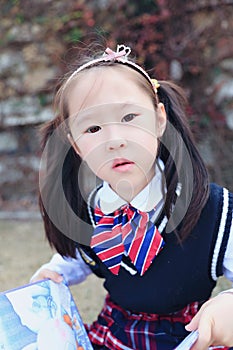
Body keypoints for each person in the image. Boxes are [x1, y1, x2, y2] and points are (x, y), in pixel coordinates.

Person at [31, 44, 233, 350]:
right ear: (75, 145)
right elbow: (76, 261)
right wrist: (53, 273)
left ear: (159, 119)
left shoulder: (213, 211)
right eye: (94, 127)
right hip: (117, 336)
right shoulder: (89, 214)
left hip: (192, 337)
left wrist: (228, 305)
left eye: (129, 117)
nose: (114, 141)